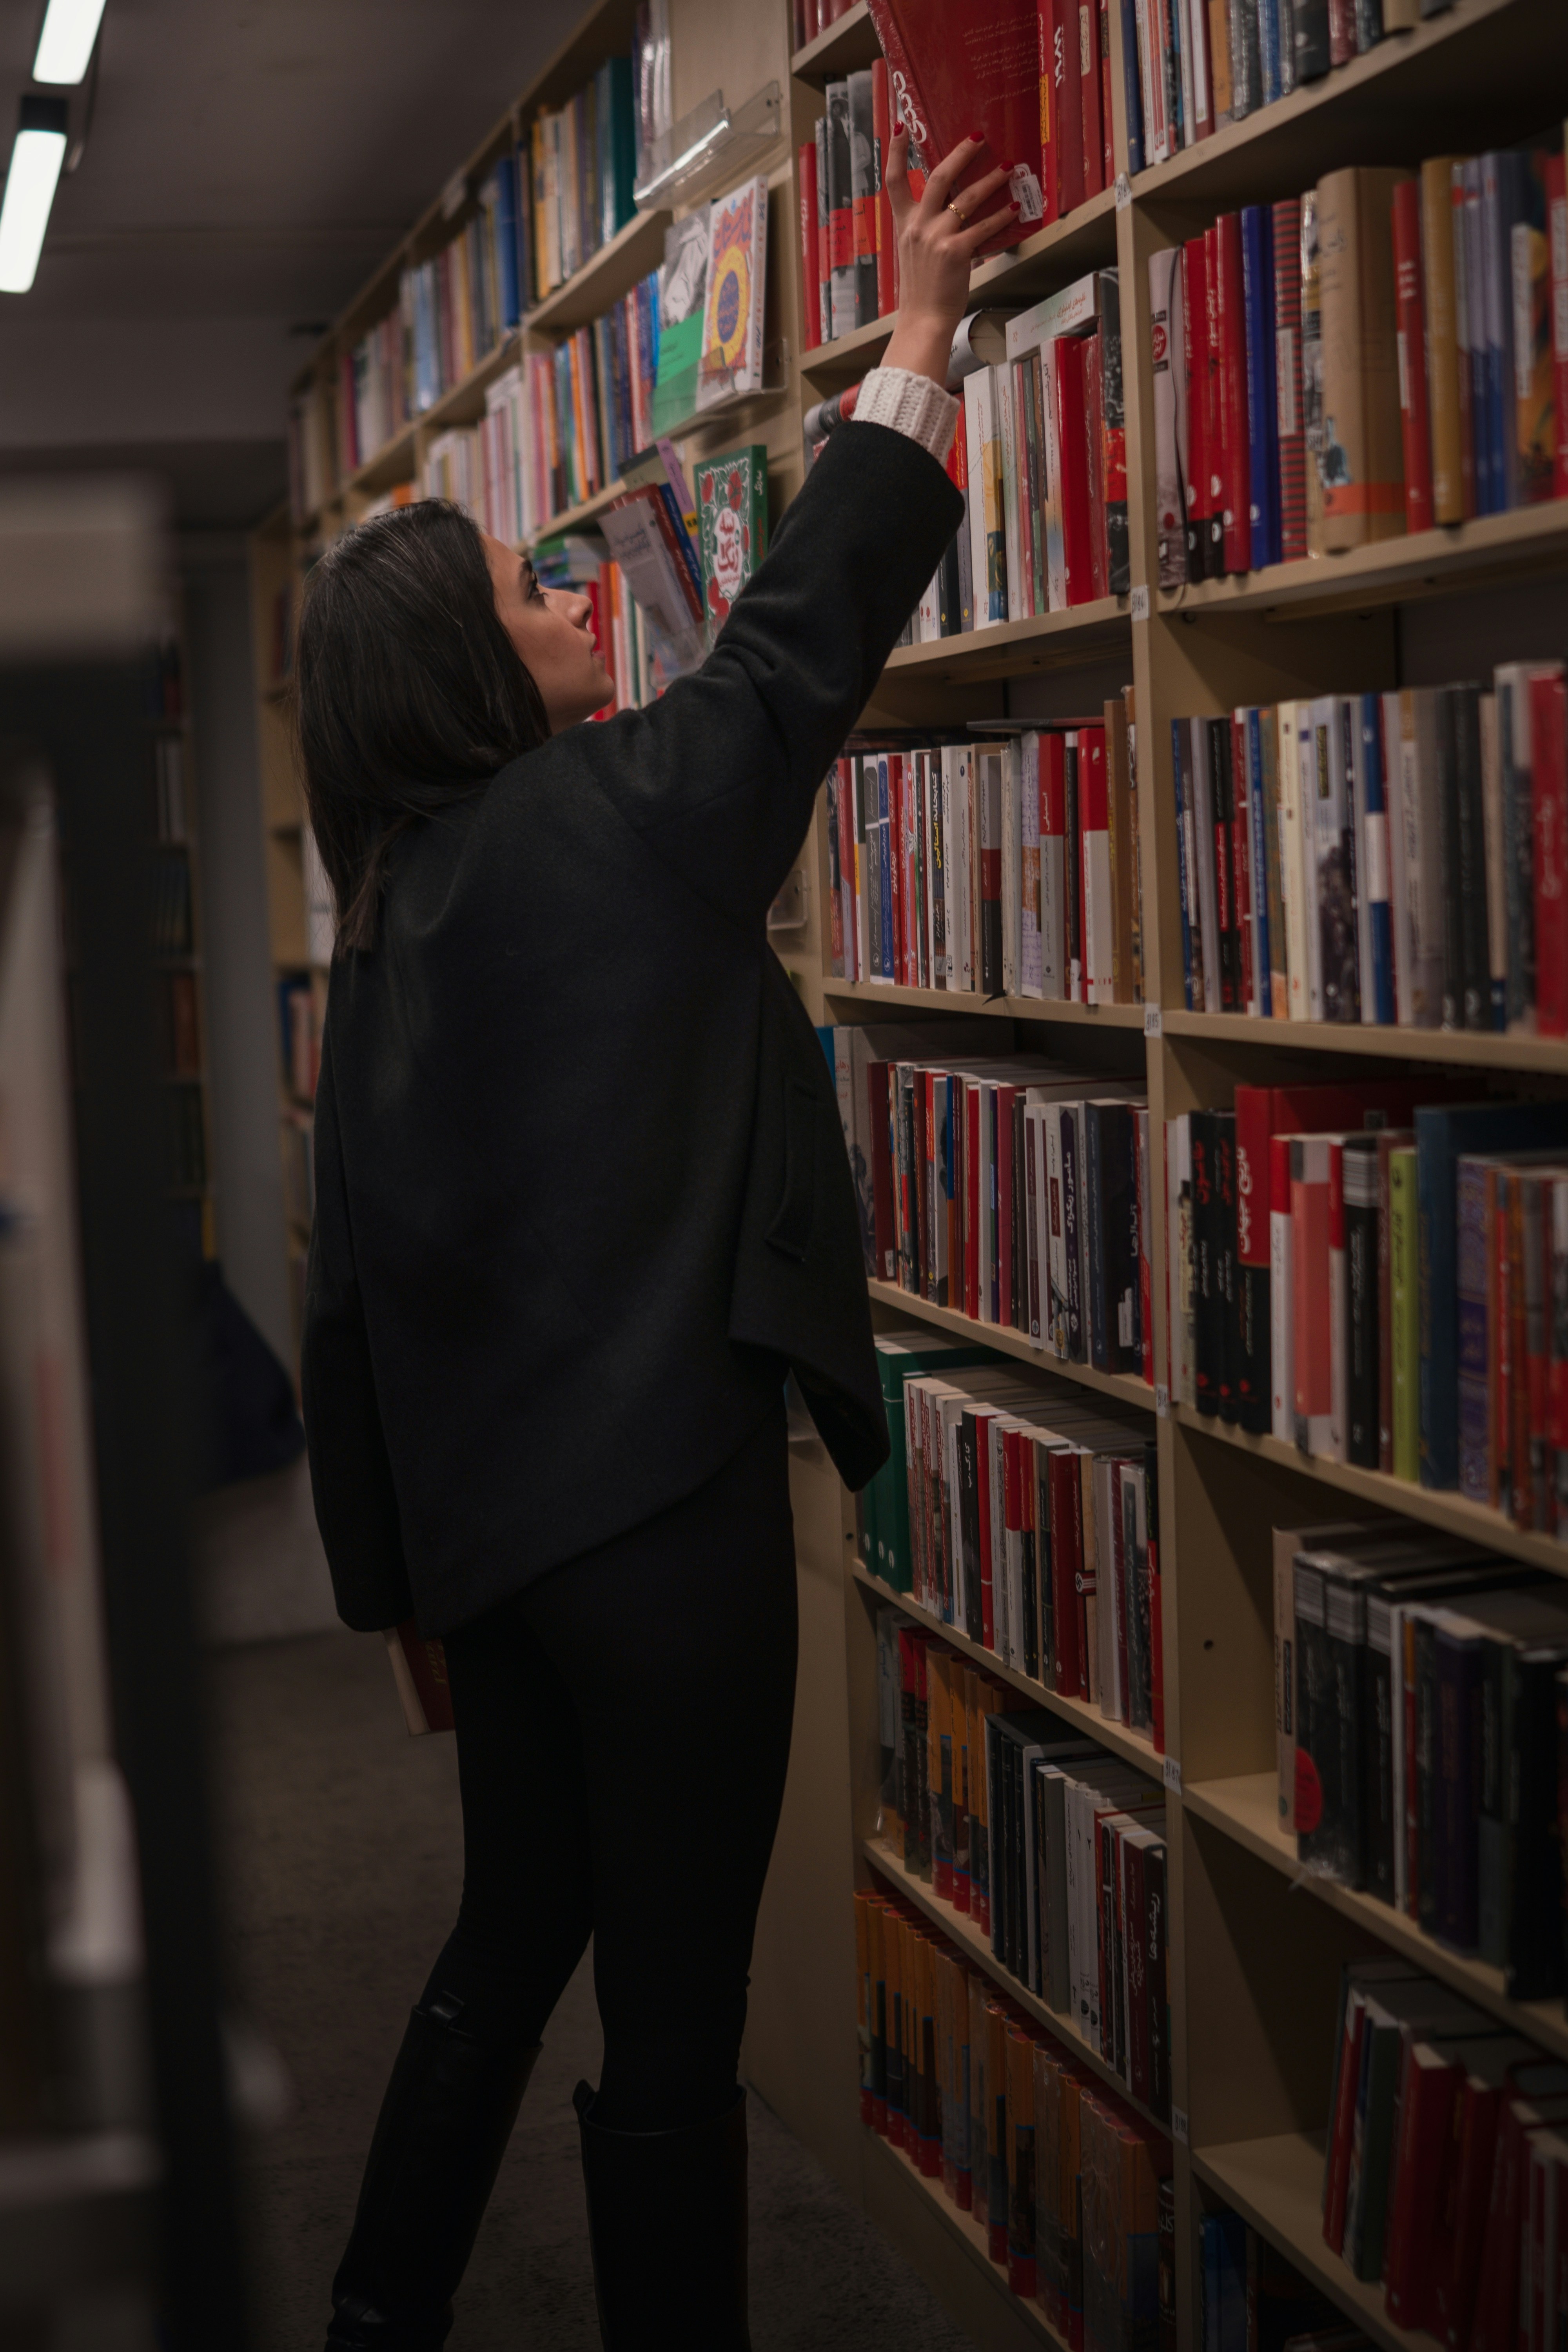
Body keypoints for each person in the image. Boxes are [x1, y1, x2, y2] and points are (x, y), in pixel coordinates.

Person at [296, 126, 1018, 2352]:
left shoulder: (390, 925)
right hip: (675, 1547)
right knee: (675, 2032)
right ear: (463, 674)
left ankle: (370, 2313)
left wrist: (396, 1588)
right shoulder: (627, 824)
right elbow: (808, 635)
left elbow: (348, 1297)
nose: (580, 604)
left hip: (497, 1556)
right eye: (536, 595)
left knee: (509, 1937)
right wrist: (914, 337)